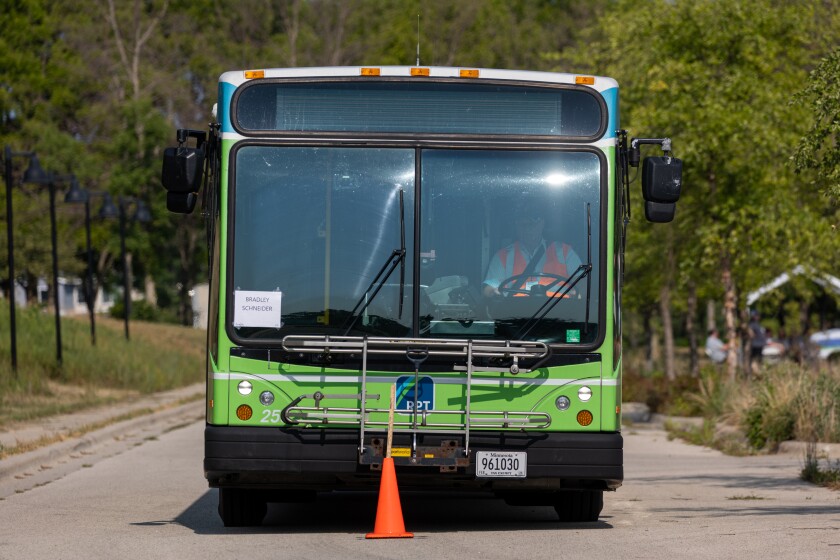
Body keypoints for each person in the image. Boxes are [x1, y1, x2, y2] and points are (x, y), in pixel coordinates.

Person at [482, 198, 582, 298]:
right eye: (523, 225)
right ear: (516, 226)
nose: (527, 229)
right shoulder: (503, 256)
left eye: (532, 224)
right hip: (516, 312)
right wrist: (493, 293)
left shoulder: (564, 252)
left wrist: (578, 293)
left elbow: (582, 283)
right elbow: (489, 287)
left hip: (558, 311)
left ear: (542, 223)